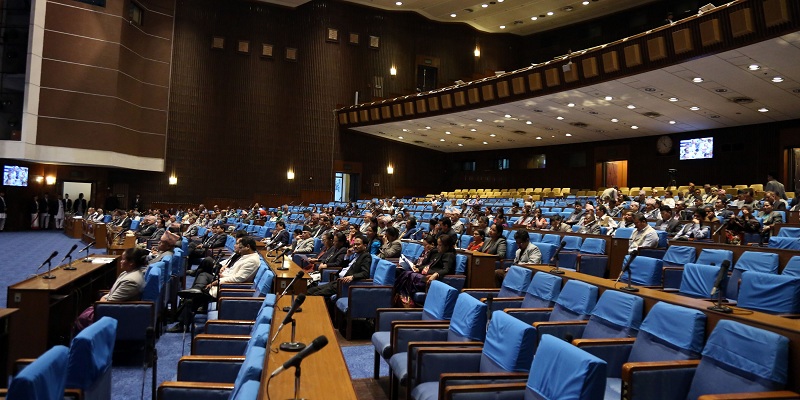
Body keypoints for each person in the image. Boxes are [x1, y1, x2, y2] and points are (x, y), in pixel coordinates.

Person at [169, 236, 261, 332]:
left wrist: (218, 281)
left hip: (228, 289)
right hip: (224, 279)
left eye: (240, 247)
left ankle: (182, 323)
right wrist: (223, 270)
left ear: (248, 247)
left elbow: (238, 278)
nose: (239, 249)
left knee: (192, 298)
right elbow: (233, 270)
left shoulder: (252, 260)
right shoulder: (246, 256)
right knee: (203, 274)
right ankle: (196, 290)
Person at [74, 248, 148, 332]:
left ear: (131, 263)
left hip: (116, 313)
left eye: (123, 259)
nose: (120, 261)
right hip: (112, 306)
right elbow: (112, 292)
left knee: (82, 319)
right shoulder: (127, 273)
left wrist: (102, 301)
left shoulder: (131, 281)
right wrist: (104, 298)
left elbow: (108, 303)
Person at [394, 235, 455, 307]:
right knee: (406, 274)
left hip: (430, 280)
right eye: (438, 244)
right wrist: (419, 269)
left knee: (408, 275)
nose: (437, 247)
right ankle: (400, 297)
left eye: (440, 245)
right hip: (425, 276)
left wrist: (436, 274)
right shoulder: (440, 253)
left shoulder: (449, 255)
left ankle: (396, 294)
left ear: (447, 246)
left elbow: (446, 269)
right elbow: (428, 264)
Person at [307, 235, 371, 298]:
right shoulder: (355, 255)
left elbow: (365, 273)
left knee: (314, 295)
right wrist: (347, 256)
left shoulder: (366, 256)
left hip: (345, 284)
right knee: (310, 291)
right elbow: (344, 267)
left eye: (358, 244)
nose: (355, 246)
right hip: (337, 281)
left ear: (365, 245)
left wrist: (352, 277)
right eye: (354, 244)